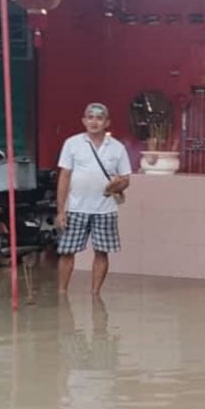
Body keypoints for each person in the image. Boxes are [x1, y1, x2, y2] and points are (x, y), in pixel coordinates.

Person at [55, 103, 131, 294]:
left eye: (99, 118)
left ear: (107, 122)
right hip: (75, 208)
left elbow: (126, 179)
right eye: (90, 117)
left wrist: (117, 185)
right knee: (66, 252)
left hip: (105, 209)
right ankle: (62, 292)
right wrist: (61, 210)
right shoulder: (72, 143)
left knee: (101, 252)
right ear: (84, 121)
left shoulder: (117, 148)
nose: (94, 121)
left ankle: (95, 294)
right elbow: (64, 176)